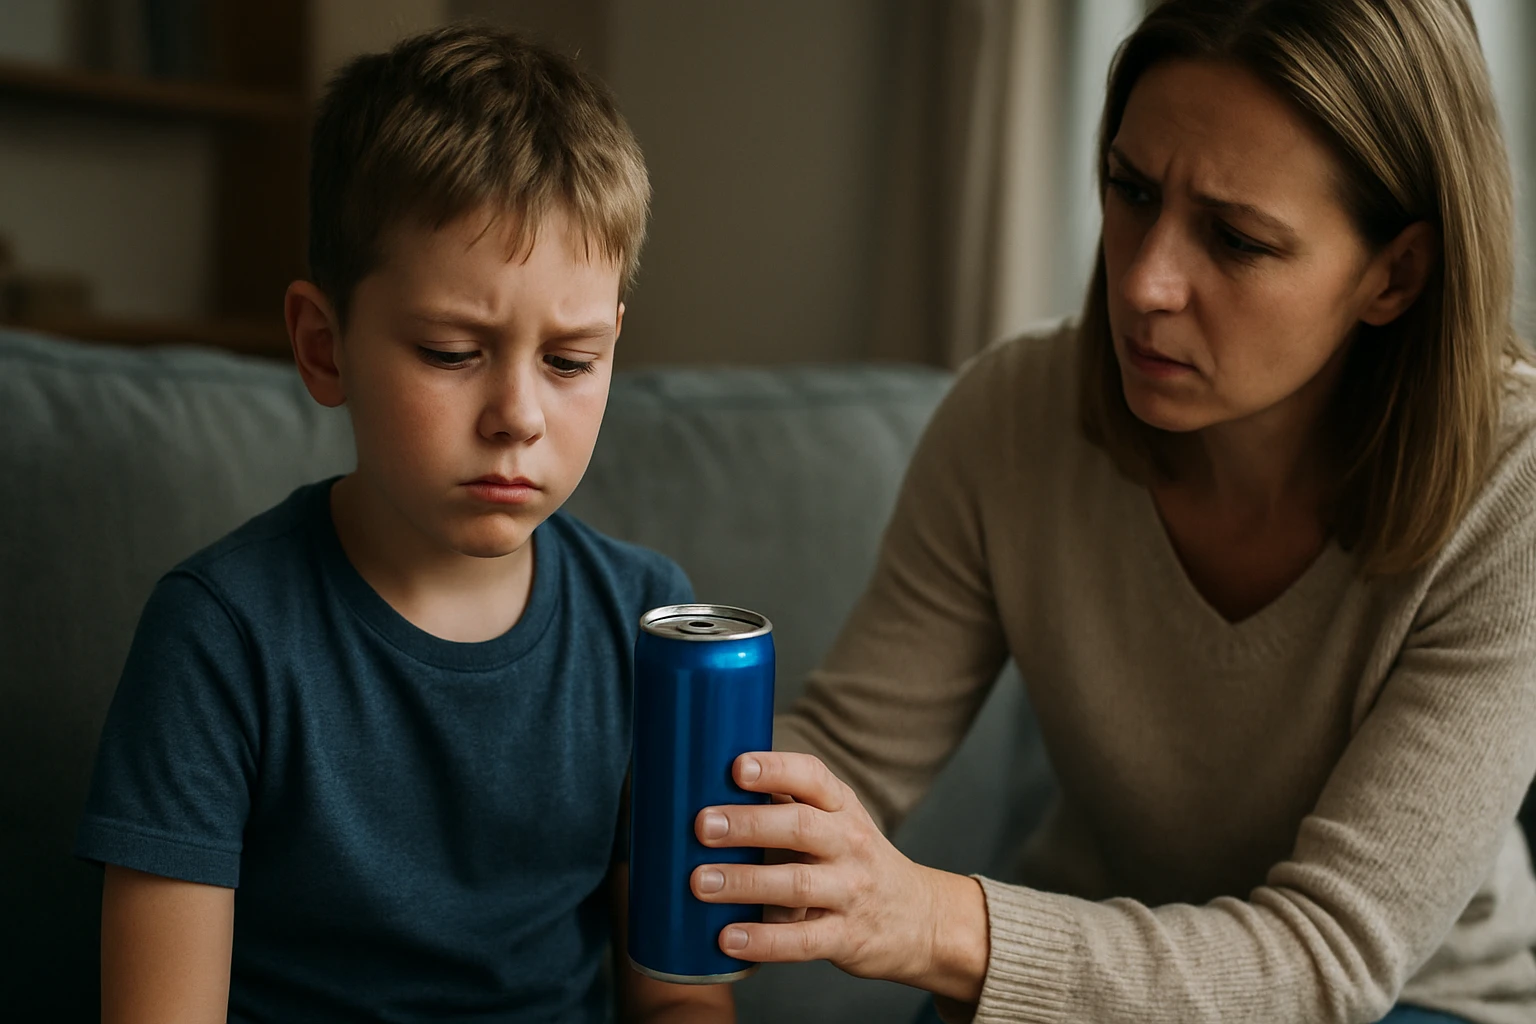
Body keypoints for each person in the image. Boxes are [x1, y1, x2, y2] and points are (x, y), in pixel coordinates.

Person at [684, 1, 1536, 1022]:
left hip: (1412, 999)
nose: (1142, 280)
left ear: (1394, 275)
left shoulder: (1514, 491)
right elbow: (853, 756)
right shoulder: (1014, 418)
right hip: (1091, 954)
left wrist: (932, 920)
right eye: (1131, 190)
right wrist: (680, 919)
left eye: (1235, 238)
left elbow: (1327, 959)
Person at [73, 25, 732, 1024]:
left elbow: (679, 997)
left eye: (569, 360)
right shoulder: (219, 635)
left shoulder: (653, 623)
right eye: (450, 349)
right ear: (323, 346)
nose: (518, 413)